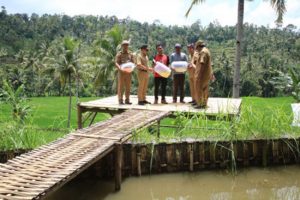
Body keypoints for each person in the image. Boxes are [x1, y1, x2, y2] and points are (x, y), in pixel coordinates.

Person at [192, 40, 212, 109]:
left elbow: (202, 63)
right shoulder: (207, 50)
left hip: (202, 75)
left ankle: (200, 104)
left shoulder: (203, 52)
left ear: (198, 46)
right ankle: (204, 104)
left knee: (199, 89)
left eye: (196, 48)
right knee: (205, 90)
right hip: (207, 75)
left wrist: (198, 75)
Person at [115, 40, 134, 105]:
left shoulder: (130, 54)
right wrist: (120, 68)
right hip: (121, 72)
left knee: (128, 86)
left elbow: (133, 62)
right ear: (122, 46)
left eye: (127, 45)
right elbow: (116, 63)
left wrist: (132, 68)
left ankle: (127, 100)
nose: (126, 46)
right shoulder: (119, 54)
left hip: (128, 72)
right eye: (124, 45)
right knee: (121, 86)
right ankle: (120, 100)